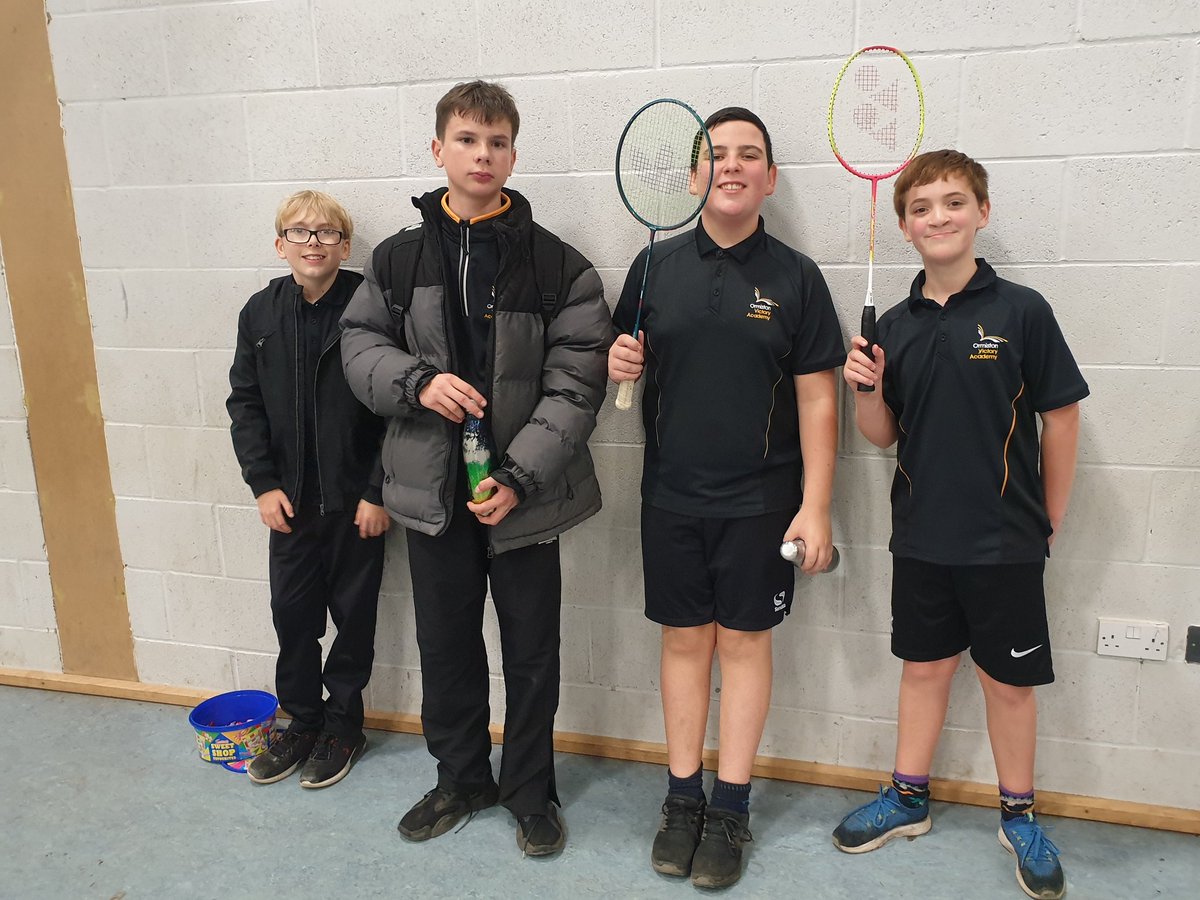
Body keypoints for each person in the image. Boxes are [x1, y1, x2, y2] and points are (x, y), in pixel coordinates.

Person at [339, 80, 611, 857]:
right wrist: (418, 383)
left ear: (513, 155)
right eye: (466, 140)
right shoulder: (393, 261)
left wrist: (519, 477)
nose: (481, 154)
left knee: (531, 652)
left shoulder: (560, 266)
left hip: (522, 500)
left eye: (496, 143)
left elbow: (576, 381)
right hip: (431, 496)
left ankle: (531, 791)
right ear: (438, 150)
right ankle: (460, 778)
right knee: (445, 646)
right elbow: (360, 352)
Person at [833, 149, 1089, 900]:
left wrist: (1053, 515)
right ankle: (909, 798)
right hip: (920, 536)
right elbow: (883, 435)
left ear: (982, 211)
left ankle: (1019, 814)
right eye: (921, 208)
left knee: (1008, 684)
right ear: (904, 227)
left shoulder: (1022, 311)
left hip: (1006, 540)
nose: (937, 217)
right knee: (924, 670)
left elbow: (1062, 417)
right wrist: (865, 392)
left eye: (952, 202)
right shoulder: (897, 327)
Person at [608, 107, 844, 889]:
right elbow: (623, 367)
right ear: (691, 176)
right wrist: (618, 361)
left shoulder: (797, 278)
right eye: (717, 154)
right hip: (670, 497)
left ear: (770, 178)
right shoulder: (652, 268)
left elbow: (818, 401)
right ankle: (683, 800)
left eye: (750, 155)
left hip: (761, 505)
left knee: (744, 646)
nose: (732, 165)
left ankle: (732, 806)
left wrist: (816, 505)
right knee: (683, 643)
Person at [227, 190, 389, 789]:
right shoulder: (260, 314)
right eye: (299, 232)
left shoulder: (370, 310)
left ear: (345, 246)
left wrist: (378, 491)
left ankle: (344, 725)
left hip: (354, 507)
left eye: (326, 232)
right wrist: (263, 485)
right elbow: (244, 403)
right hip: (289, 506)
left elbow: (393, 409)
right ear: (280, 245)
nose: (313, 241)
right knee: (293, 617)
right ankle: (299, 719)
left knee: (354, 619)